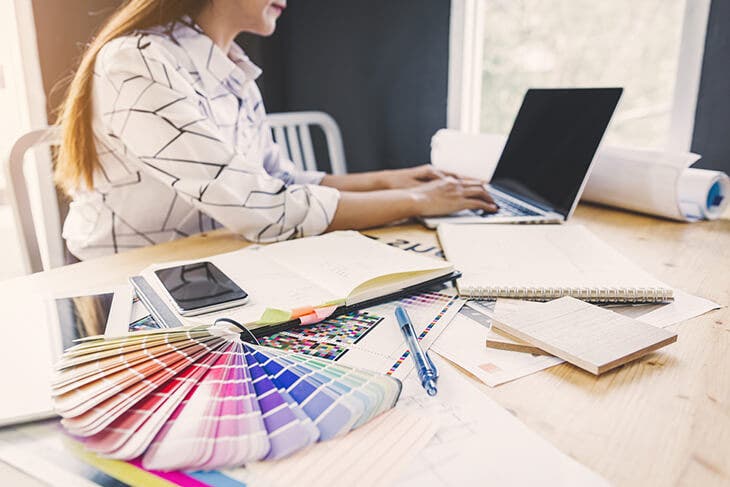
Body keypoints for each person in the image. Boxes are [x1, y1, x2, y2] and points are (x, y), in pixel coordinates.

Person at [55, 0, 496, 260]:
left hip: (220, 260)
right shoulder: (137, 61)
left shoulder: (232, 69)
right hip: (130, 285)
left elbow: (278, 181)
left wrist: (389, 180)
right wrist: (415, 200)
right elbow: (262, 209)